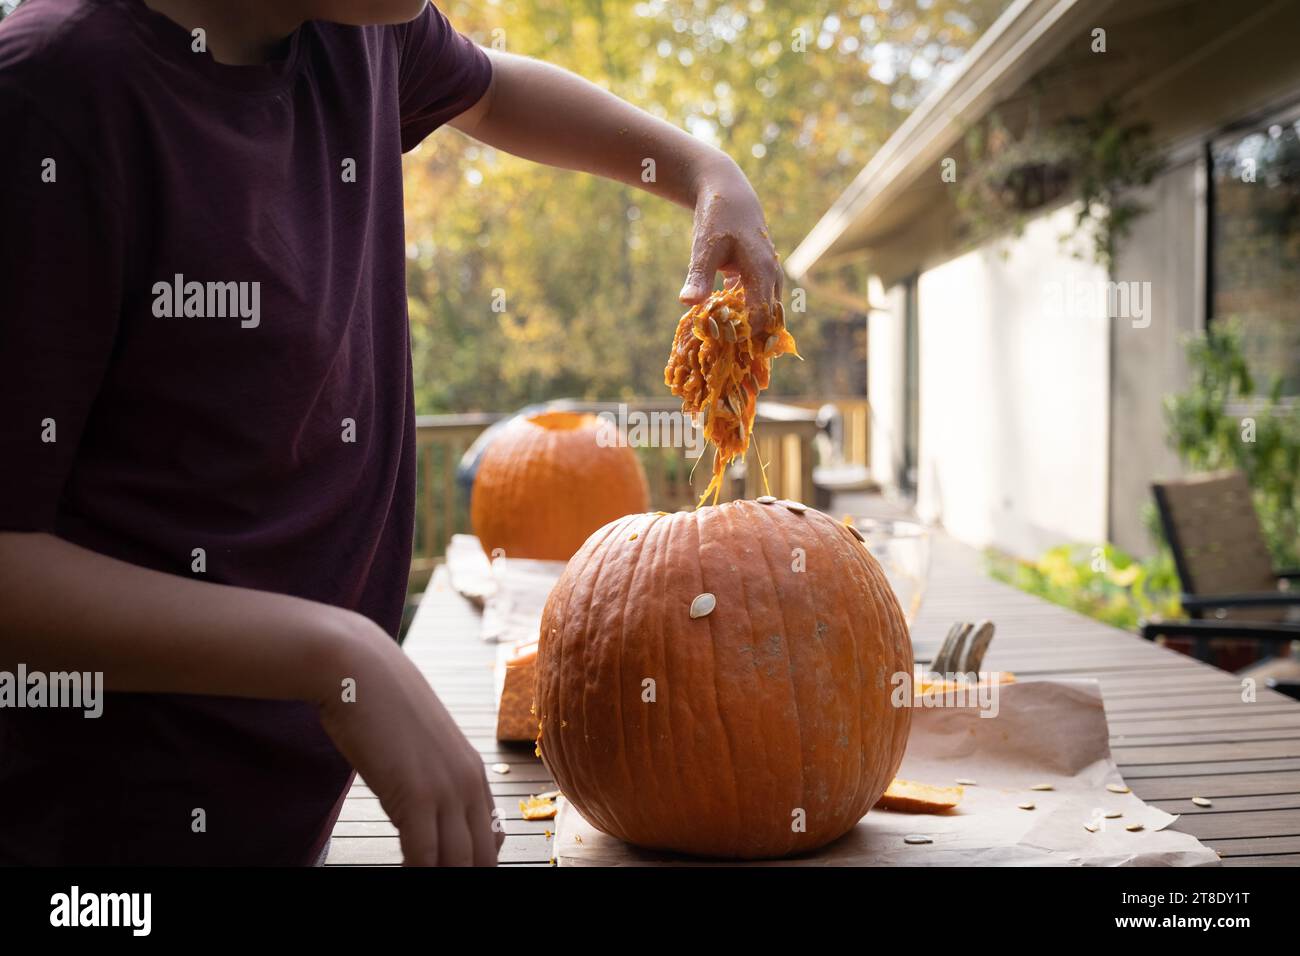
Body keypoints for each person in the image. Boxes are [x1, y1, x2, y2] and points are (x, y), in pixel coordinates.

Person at [0, 0, 781, 865]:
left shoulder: (363, 24)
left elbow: (491, 91)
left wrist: (704, 169)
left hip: (288, 812)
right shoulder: (47, 93)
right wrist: (334, 655)